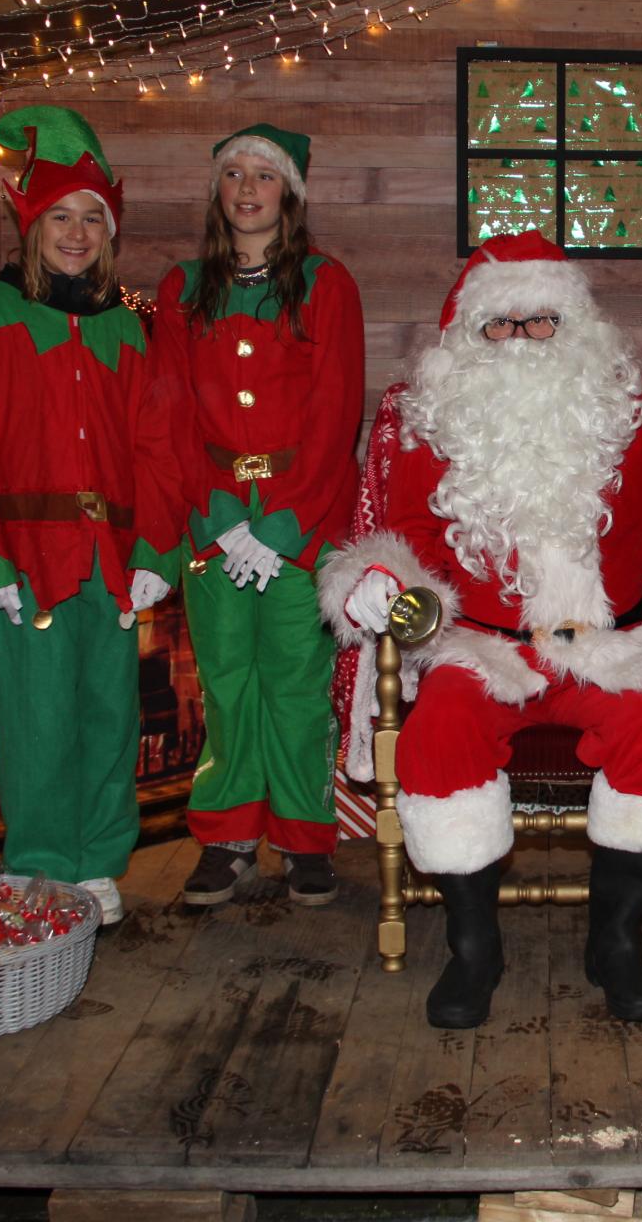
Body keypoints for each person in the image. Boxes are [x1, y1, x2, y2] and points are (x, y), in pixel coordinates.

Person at [319, 230, 642, 1029]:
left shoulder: (641, 408)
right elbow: (408, 537)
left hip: (611, 646)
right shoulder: (439, 420)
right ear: (469, 333)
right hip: (484, 647)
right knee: (439, 730)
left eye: (541, 321)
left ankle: (616, 941)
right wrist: (387, 582)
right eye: (500, 324)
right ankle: (473, 948)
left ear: (575, 323)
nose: (522, 339)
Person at [0, 105, 173, 925]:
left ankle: (99, 861)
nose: (76, 234)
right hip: (22, 557)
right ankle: (41, 868)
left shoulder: (127, 328)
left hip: (109, 556)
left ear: (110, 233)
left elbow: (155, 445)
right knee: (36, 720)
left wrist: (156, 550)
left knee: (109, 713)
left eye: (92, 219)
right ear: (31, 225)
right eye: (60, 217)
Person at [147, 123, 364, 908]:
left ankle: (305, 837)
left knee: (298, 682)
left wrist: (281, 527)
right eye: (233, 173)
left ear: (289, 193)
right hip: (211, 518)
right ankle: (229, 836)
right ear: (217, 190)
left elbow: (336, 414)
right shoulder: (181, 287)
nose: (247, 189)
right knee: (226, 680)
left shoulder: (326, 283)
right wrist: (213, 517)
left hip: (299, 519)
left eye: (263, 176)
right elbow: (169, 411)